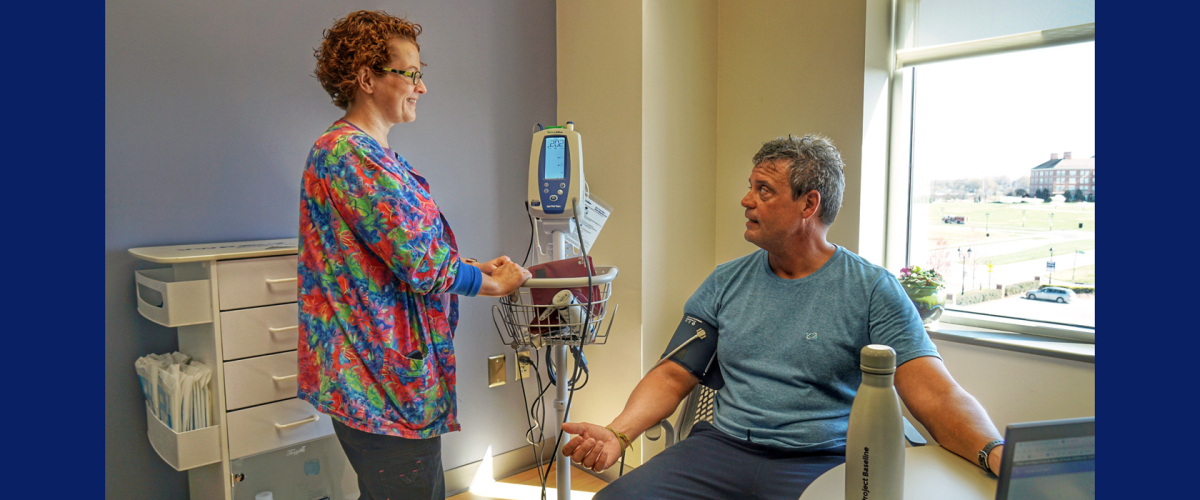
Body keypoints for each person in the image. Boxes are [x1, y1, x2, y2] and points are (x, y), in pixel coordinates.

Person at [561, 134, 1006, 499]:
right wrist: (617, 434)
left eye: (763, 190)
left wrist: (994, 453)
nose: (745, 200)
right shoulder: (725, 282)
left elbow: (936, 395)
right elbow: (674, 374)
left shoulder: (872, 290)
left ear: (808, 205)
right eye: (750, 186)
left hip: (824, 459)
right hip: (722, 449)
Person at [296, 10, 531, 500]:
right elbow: (420, 264)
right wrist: (490, 284)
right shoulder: (347, 154)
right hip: (378, 379)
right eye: (412, 74)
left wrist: (469, 268)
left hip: (389, 374)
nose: (421, 88)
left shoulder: (375, 155)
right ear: (366, 79)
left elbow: (401, 252)